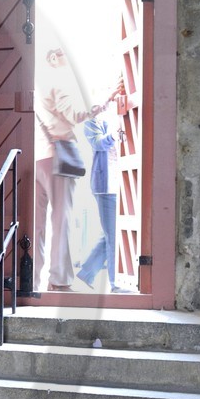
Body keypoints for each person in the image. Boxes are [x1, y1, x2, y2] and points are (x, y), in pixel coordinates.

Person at [33, 47, 98, 292]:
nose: (68, 61)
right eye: (64, 56)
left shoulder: (36, 86)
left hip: (37, 157)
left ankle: (31, 278)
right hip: (58, 158)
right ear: (52, 58)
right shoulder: (57, 81)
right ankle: (59, 280)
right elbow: (74, 114)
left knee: (36, 224)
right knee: (62, 220)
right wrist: (96, 107)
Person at [75, 107, 124, 291]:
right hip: (106, 188)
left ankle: (87, 272)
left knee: (111, 233)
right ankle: (115, 283)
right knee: (113, 236)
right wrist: (114, 134)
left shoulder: (122, 119)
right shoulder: (92, 124)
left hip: (123, 186)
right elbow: (98, 144)